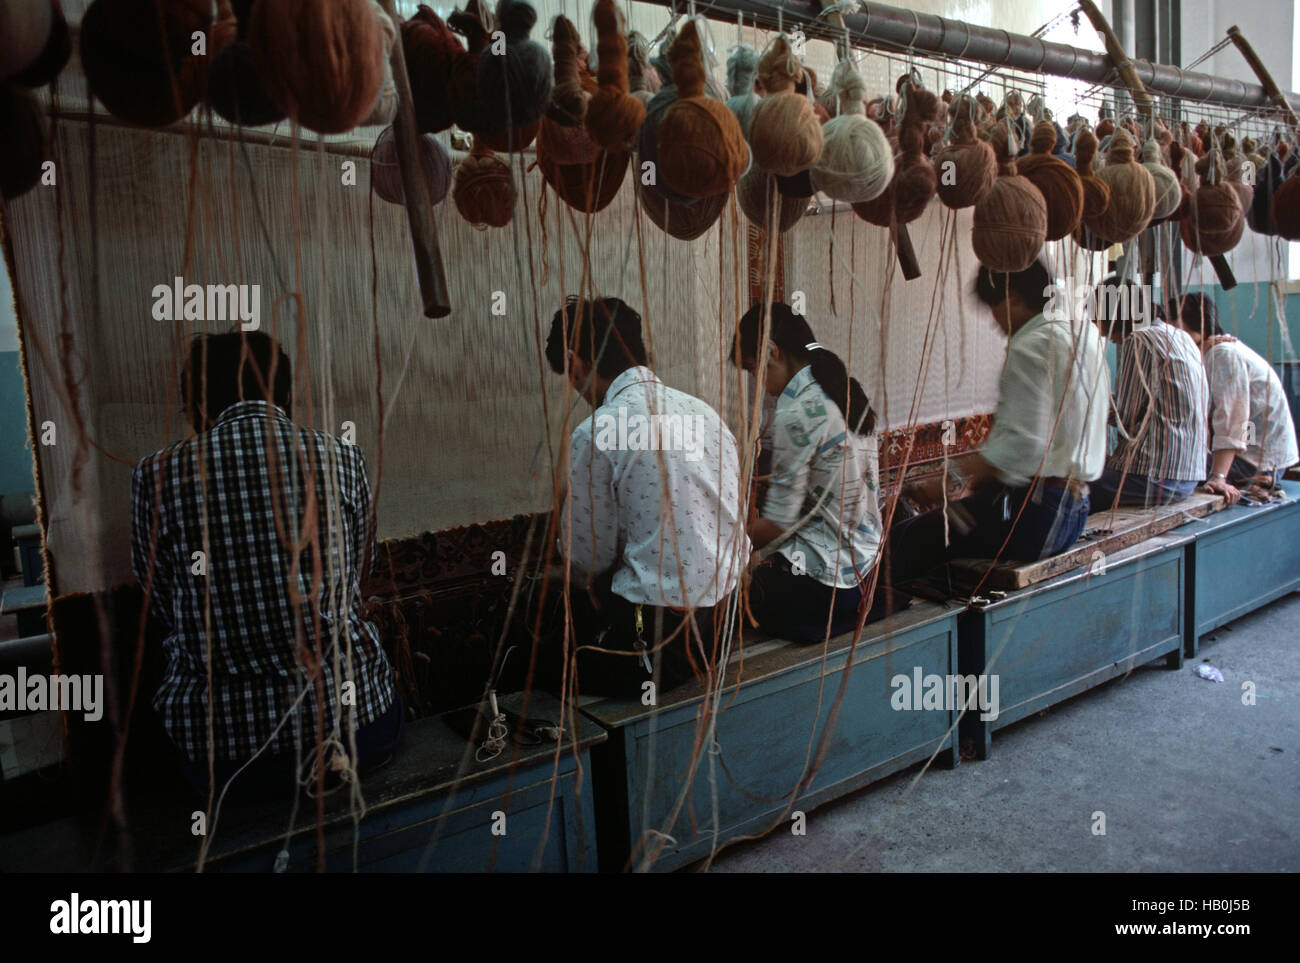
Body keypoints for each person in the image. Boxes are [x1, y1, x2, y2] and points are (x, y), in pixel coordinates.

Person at [131, 331, 401, 801]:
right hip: (359, 730)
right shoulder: (342, 457)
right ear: (287, 394)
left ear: (196, 404)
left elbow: (161, 600)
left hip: (229, 757)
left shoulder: (156, 475)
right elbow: (359, 575)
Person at [538, 296, 749, 697]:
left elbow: (585, 562)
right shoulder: (707, 415)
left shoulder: (597, 431)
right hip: (722, 629)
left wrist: (563, 502)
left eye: (571, 374)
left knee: (538, 665)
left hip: (659, 647)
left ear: (576, 361)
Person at [887, 260, 1109, 582]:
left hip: (1035, 517)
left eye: (995, 305)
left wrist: (948, 479)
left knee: (908, 539)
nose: (994, 320)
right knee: (946, 523)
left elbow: (1024, 447)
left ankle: (930, 628)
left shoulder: (1030, 345)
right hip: (1073, 511)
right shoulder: (1082, 335)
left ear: (1015, 297)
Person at [733, 303, 895, 642]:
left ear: (771, 352)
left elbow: (776, 525)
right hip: (867, 575)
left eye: (752, 370)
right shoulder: (845, 390)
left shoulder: (795, 411)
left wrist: (725, 544)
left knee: (727, 599)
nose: (760, 387)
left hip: (823, 590)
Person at [1166, 293, 1298, 505]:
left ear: (1195, 328)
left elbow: (1233, 422)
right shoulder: (1212, 353)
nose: (1170, 339)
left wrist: (1218, 477)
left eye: (1174, 329)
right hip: (1254, 451)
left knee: (1168, 462)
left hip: (1256, 463)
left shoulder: (1223, 355)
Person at [1089, 277, 1208, 509]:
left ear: (1113, 315)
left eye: (1100, 322)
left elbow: (1125, 417)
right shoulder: (1179, 336)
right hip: (1188, 475)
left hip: (1151, 478)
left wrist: (1080, 403)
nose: (1103, 334)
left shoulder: (1140, 340)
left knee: (1063, 490)